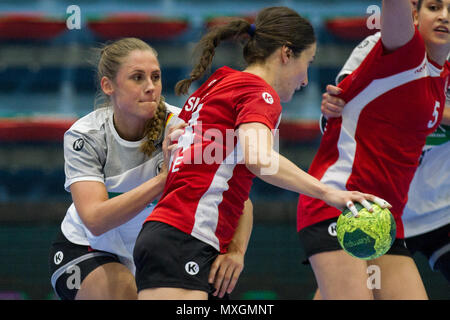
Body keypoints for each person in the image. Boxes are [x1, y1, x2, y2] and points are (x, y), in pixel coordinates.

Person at [132, 6, 390, 300]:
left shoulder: (218, 83)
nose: (305, 79)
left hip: (183, 239)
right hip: (184, 239)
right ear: (286, 54)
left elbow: (223, 180)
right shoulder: (258, 92)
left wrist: (237, 249)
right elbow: (260, 161)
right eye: (308, 62)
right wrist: (330, 193)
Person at [48, 37, 253, 300]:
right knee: (124, 293)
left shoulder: (186, 129)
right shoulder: (85, 135)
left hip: (160, 253)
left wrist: (235, 251)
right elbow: (96, 220)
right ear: (108, 85)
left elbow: (238, 200)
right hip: (87, 247)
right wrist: (163, 180)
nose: (150, 87)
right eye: (137, 78)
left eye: (155, 77)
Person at [297, 0, 450, 300]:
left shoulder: (439, 72)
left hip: (383, 216)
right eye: (434, 7)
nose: (445, 16)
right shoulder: (405, 51)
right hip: (342, 203)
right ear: (415, 16)